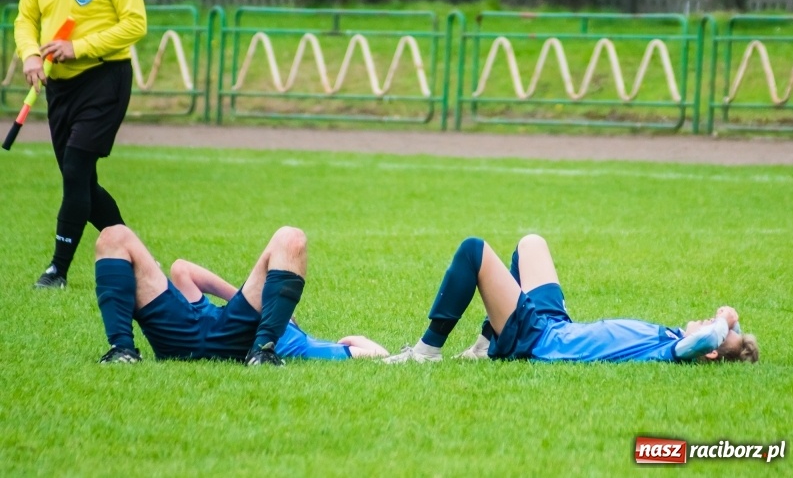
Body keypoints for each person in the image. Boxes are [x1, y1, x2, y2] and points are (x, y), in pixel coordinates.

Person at [384, 234, 759, 364]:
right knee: (531, 244)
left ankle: (425, 354)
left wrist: (726, 320)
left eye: (715, 325)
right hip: (556, 328)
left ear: (709, 350)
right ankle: (486, 346)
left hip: (539, 341)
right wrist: (735, 332)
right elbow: (718, 341)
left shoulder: (676, 351)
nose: (710, 319)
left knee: (473, 251)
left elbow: (709, 340)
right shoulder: (672, 336)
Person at [14, 0, 147, 288]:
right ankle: (140, 258)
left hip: (104, 78)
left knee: (75, 170)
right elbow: (26, 18)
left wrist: (79, 46)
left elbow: (135, 23)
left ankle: (57, 271)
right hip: (59, 88)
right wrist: (29, 54)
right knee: (83, 182)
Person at [94, 224, 388, 365]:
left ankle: (263, 353)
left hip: (245, 340)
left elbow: (373, 356)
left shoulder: (304, 345)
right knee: (113, 235)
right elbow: (182, 270)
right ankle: (122, 351)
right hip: (183, 330)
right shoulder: (200, 309)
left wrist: (267, 321)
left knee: (292, 237)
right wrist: (247, 299)